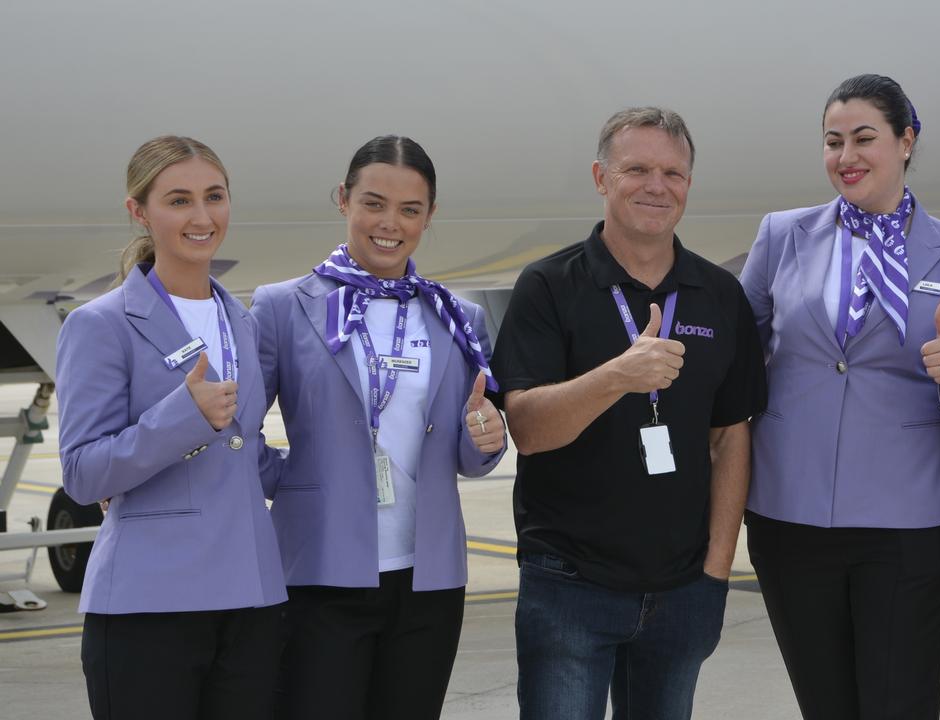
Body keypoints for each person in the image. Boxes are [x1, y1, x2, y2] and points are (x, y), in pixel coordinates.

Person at [489, 107, 766, 720]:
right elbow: (529, 430)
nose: (656, 186)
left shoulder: (719, 295)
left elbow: (730, 438)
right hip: (568, 586)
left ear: (689, 184)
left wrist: (717, 570)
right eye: (636, 168)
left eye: (673, 172)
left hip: (683, 586)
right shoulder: (549, 285)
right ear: (600, 177)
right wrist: (618, 376)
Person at [739, 74, 940, 719]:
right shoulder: (781, 236)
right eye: (833, 142)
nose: (846, 157)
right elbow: (736, 353)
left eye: (864, 138)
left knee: (898, 703)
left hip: (907, 519)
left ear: (906, 142)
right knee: (824, 703)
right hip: (789, 510)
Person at [251, 135, 507, 720]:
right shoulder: (283, 306)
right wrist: (294, 481)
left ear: (429, 216)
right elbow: (239, 433)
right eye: (373, 203)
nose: (390, 223)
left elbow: (471, 450)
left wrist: (487, 439)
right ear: (343, 199)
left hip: (429, 578)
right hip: (320, 572)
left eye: (410, 210)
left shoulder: (454, 315)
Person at [55, 135, 286, 720]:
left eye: (215, 197)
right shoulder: (100, 325)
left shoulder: (243, 321)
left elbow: (247, 454)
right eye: (179, 200)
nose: (203, 217)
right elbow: (83, 474)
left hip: (251, 601)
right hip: (148, 608)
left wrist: (347, 462)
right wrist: (181, 418)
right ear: (139, 211)